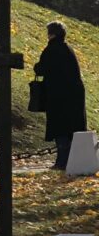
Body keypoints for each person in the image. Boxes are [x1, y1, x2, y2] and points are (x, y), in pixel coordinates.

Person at [34, 21, 86, 170]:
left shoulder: (51, 49)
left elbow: (41, 69)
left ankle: (61, 162)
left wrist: (36, 67)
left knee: (60, 127)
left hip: (58, 96)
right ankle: (70, 160)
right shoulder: (68, 49)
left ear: (52, 34)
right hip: (75, 94)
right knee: (71, 128)